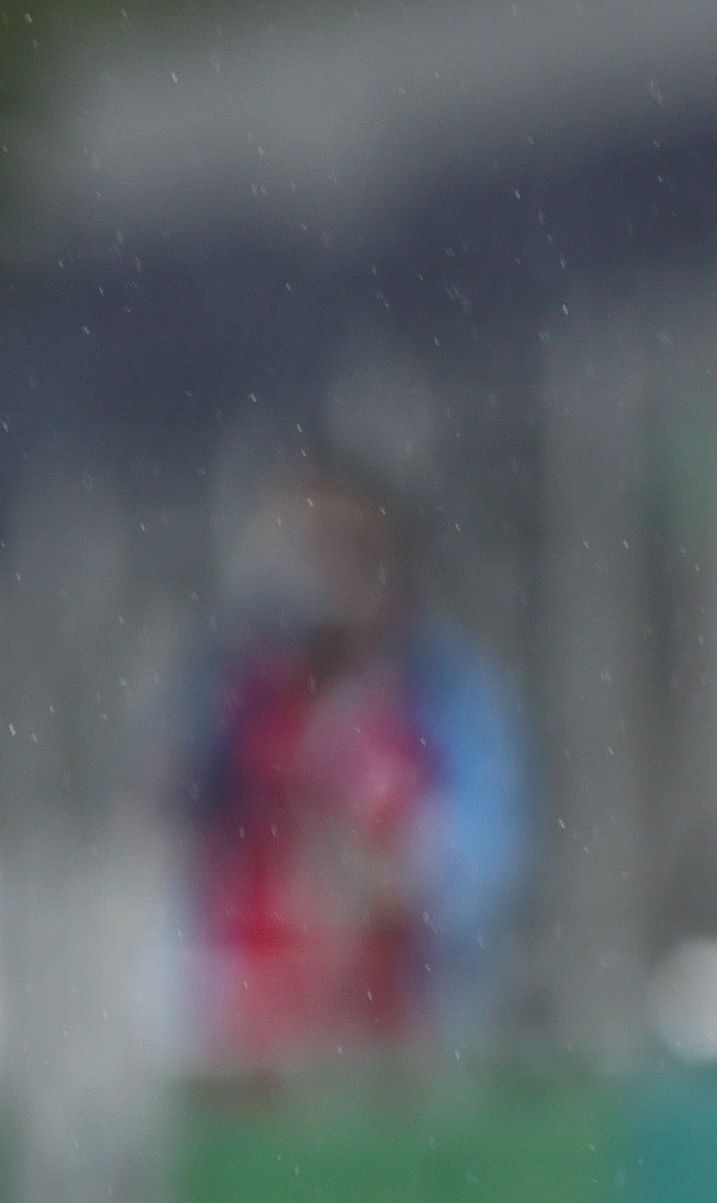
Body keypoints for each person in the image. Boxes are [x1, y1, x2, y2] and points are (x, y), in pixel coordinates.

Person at [185, 450, 528, 1060]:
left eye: (349, 549)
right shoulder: (236, 699)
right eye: (305, 549)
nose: (324, 576)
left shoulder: (443, 693)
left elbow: (485, 859)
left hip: (399, 1037)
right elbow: (179, 839)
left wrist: (398, 874)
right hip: (255, 1036)